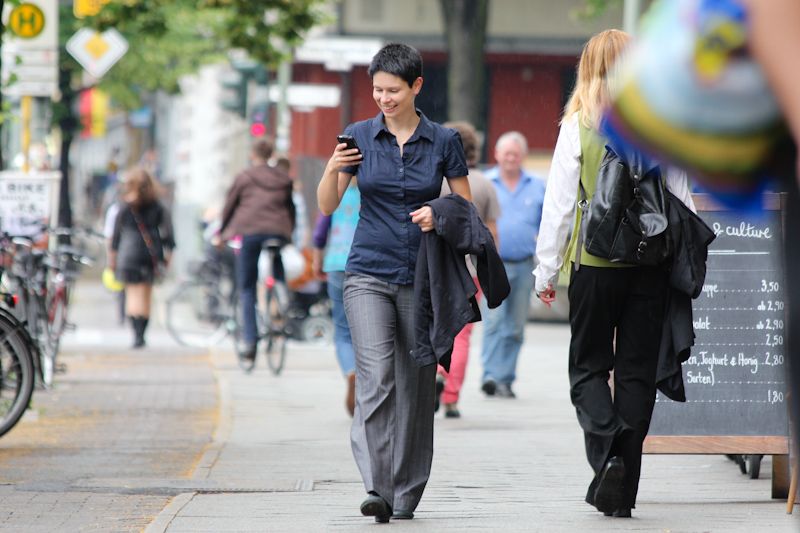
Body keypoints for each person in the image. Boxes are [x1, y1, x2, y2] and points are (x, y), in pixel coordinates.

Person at [532, 29, 696, 518]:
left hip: (595, 265)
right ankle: (622, 494)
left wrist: (546, 269)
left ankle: (607, 454)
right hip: (649, 267)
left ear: (587, 66)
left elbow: (560, 207)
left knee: (587, 369)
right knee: (636, 375)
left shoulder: (577, 124)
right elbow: (682, 203)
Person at [317, 42, 471, 523]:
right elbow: (326, 205)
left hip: (423, 277)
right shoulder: (358, 136)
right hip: (367, 272)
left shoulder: (444, 141)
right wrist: (331, 167)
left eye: (393, 90)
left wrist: (437, 212)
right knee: (378, 377)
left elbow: (464, 207)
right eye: (377, 90)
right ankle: (377, 485)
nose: (383, 98)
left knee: (417, 384)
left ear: (416, 87)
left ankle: (405, 492)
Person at [436, 121, 501, 418]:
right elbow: (491, 235)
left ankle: (436, 372)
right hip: (471, 272)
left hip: (436, 267)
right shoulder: (485, 184)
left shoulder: (434, 180)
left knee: (433, 327)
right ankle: (450, 396)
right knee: (461, 336)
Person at [479, 131, 545, 399]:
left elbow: (547, 224)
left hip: (524, 265)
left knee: (515, 328)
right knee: (494, 321)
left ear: (523, 157)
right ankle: (490, 376)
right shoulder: (486, 183)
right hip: (493, 265)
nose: (511, 158)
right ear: (496, 155)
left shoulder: (537, 185)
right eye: (506, 153)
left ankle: (505, 380)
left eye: (516, 154)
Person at [219, 138, 295, 365]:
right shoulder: (284, 178)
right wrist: (288, 234)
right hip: (277, 232)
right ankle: (281, 293)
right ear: (271, 155)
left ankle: (250, 342)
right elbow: (290, 209)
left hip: (249, 232)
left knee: (247, 288)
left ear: (252, 155)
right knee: (276, 255)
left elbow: (229, 207)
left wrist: (221, 233)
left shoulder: (244, 177)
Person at [108, 168, 175, 348]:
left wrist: (112, 256)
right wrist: (169, 256)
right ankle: (142, 335)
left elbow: (115, 236)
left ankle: (135, 334)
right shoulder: (158, 206)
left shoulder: (123, 206)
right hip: (150, 254)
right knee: (146, 295)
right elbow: (169, 234)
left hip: (127, 254)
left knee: (132, 295)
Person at [311, 179, 361, 417]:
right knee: (368, 327)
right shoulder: (375, 187)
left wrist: (317, 259)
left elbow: (321, 231)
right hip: (366, 264)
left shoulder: (337, 189)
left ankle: (351, 372)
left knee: (342, 331)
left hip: (336, 263)